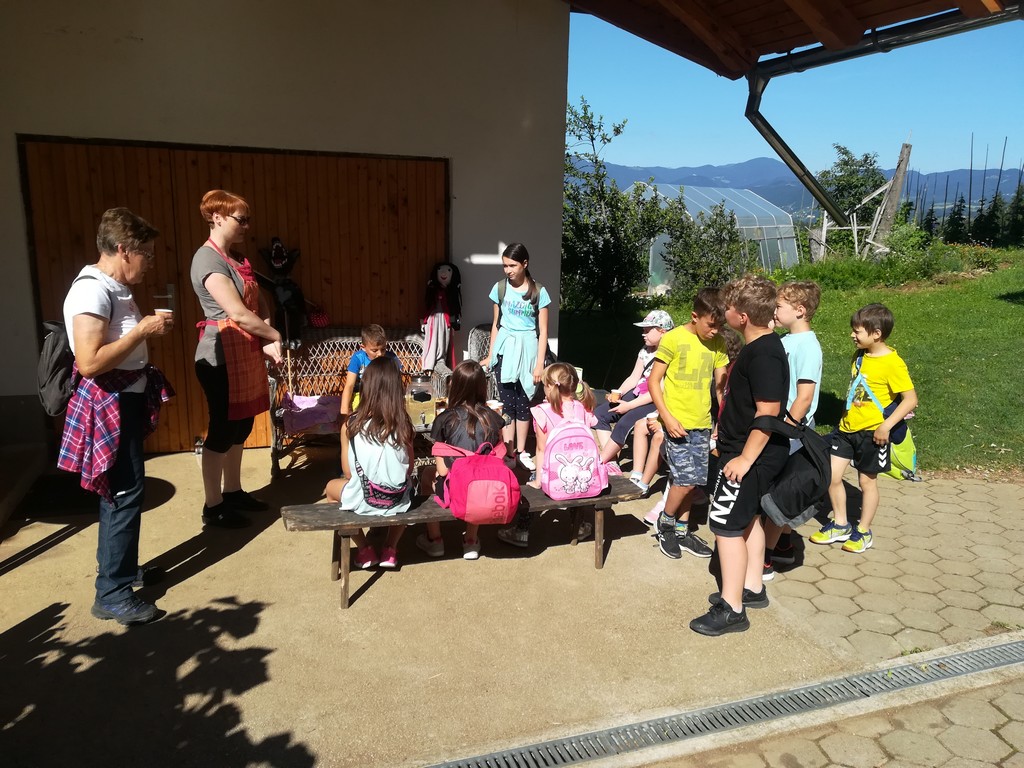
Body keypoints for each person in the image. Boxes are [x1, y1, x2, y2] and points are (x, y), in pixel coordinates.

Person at [58, 207, 175, 625]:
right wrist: (142, 331)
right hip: (109, 403)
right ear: (124, 250)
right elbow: (89, 362)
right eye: (147, 254)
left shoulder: (113, 287)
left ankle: (120, 569)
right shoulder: (92, 291)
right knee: (124, 492)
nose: (151, 262)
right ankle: (112, 592)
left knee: (123, 490)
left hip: (123, 400)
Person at [690, 275, 789, 637]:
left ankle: (731, 609)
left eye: (728, 307)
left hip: (748, 457)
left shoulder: (763, 354)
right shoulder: (760, 346)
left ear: (742, 317)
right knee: (748, 521)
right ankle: (752, 588)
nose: (724, 312)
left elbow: (768, 412)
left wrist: (745, 459)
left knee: (725, 525)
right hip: (744, 450)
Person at [191, 190, 283, 529]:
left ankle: (232, 491)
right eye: (240, 219)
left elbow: (260, 304)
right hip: (219, 358)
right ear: (217, 218)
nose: (246, 226)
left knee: (242, 425)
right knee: (222, 428)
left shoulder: (237, 258)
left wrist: (266, 336)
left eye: (247, 220)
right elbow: (238, 313)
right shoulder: (207, 260)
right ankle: (213, 506)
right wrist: (273, 336)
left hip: (243, 352)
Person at [811, 303, 918, 554]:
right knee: (831, 475)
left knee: (866, 482)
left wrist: (885, 427)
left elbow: (910, 399)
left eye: (857, 331)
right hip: (846, 430)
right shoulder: (860, 356)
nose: (852, 335)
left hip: (873, 434)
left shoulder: (893, 363)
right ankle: (840, 524)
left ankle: (864, 530)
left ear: (876, 334)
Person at [647, 289, 730, 560]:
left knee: (693, 484)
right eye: (711, 325)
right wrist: (667, 417)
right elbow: (653, 381)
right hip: (676, 425)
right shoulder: (673, 339)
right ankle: (665, 524)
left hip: (702, 424)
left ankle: (682, 532)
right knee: (684, 481)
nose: (715, 331)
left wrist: (724, 418)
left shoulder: (717, 343)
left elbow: (721, 386)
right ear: (695, 316)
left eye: (720, 326)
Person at [325, 357, 415, 568]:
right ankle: (390, 548)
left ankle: (364, 549)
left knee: (330, 488)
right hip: (397, 500)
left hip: (364, 497)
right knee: (408, 485)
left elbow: (348, 473)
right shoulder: (404, 424)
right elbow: (409, 469)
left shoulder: (351, 424)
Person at [496, 362, 596, 547]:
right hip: (580, 473)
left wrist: (538, 481)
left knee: (530, 485)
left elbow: (541, 450)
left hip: (554, 474)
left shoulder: (542, 412)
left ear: (550, 387)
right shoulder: (581, 408)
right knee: (574, 486)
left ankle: (521, 532)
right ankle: (580, 526)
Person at [763, 281, 823, 581]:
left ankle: (764, 558)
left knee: (777, 496)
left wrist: (784, 432)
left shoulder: (808, 346)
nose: (774, 310)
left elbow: (804, 397)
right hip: (780, 426)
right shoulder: (786, 340)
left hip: (790, 432)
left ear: (800, 310)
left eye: (779, 306)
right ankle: (784, 544)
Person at [415, 360, 505, 560]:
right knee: (478, 474)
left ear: (454, 385)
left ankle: (435, 539)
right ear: (482, 386)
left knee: (427, 473)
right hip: (484, 488)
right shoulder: (493, 417)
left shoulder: (446, 418)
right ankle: (471, 541)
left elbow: (443, 471)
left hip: (456, 491)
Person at [480, 242, 550, 472]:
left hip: (528, 350)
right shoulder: (500, 288)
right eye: (505, 266)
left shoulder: (539, 292)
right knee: (507, 403)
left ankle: (521, 451)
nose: (508, 270)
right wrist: (490, 355)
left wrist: (539, 364)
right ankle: (509, 452)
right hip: (506, 349)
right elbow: (496, 324)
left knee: (524, 402)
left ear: (524, 264)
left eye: (512, 265)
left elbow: (543, 332)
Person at [594, 309, 674, 494]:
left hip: (654, 400)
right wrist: (619, 393)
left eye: (647, 330)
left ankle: (600, 461)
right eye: (643, 330)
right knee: (600, 414)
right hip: (639, 392)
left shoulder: (669, 354)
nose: (643, 334)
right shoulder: (645, 350)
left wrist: (628, 406)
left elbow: (659, 390)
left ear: (662, 331)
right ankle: (612, 460)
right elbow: (634, 377)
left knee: (624, 423)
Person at [340, 324, 402, 418]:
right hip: (362, 395)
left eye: (383, 349)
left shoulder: (391, 358)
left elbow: (396, 384)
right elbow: (349, 385)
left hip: (384, 395)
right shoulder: (358, 358)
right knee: (360, 414)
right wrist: (344, 413)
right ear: (363, 347)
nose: (380, 354)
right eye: (374, 350)